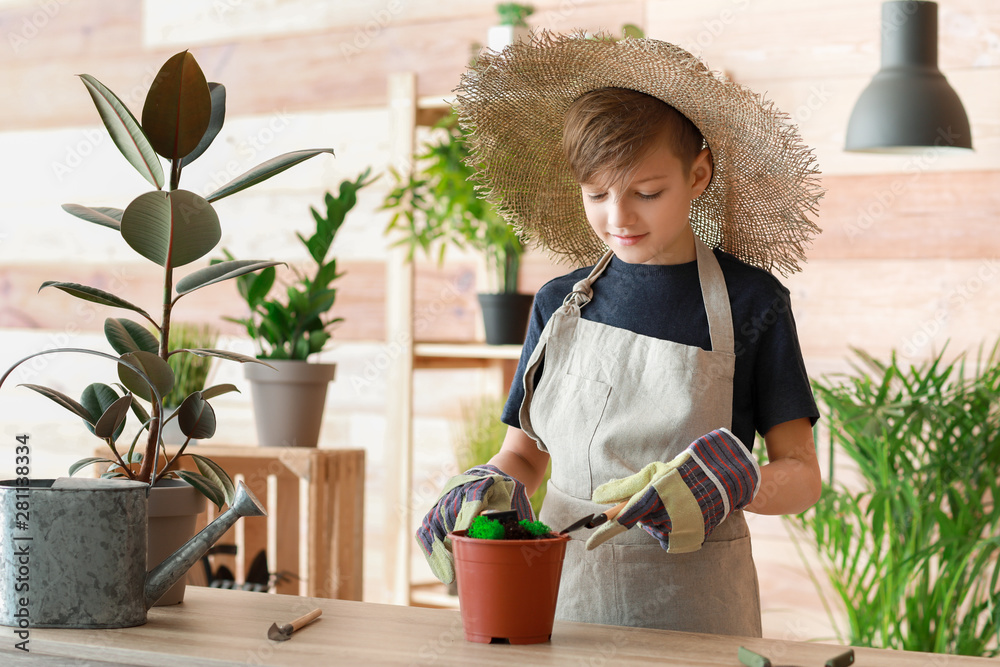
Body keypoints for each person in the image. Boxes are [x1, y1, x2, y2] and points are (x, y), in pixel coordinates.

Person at [417, 31, 824, 637]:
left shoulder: (751, 301)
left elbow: (804, 475)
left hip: (695, 605)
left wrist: (740, 483)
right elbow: (526, 452)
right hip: (559, 592)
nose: (618, 217)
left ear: (698, 175)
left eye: (647, 192)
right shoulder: (560, 304)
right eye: (597, 194)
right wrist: (488, 485)